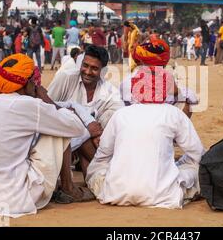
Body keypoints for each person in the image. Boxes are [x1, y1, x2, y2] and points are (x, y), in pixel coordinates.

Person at [0, 54, 96, 218]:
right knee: (59, 131)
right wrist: (46, 99)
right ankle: (69, 189)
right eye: (32, 81)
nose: (35, 84)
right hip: (15, 199)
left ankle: (64, 185)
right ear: (26, 83)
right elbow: (75, 127)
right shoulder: (29, 105)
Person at [86, 43, 205, 209]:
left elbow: (103, 155)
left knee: (98, 168)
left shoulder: (121, 114)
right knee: (197, 167)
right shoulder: (173, 113)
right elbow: (198, 154)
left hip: (116, 194)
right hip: (163, 195)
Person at [48, 45, 124, 175]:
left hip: (92, 146)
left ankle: (97, 174)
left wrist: (96, 134)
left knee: (111, 119)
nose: (87, 72)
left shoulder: (110, 92)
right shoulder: (65, 78)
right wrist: (87, 131)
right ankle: (104, 174)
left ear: (103, 71)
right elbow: (47, 108)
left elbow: (118, 119)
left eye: (94, 68)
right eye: (85, 65)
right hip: (60, 141)